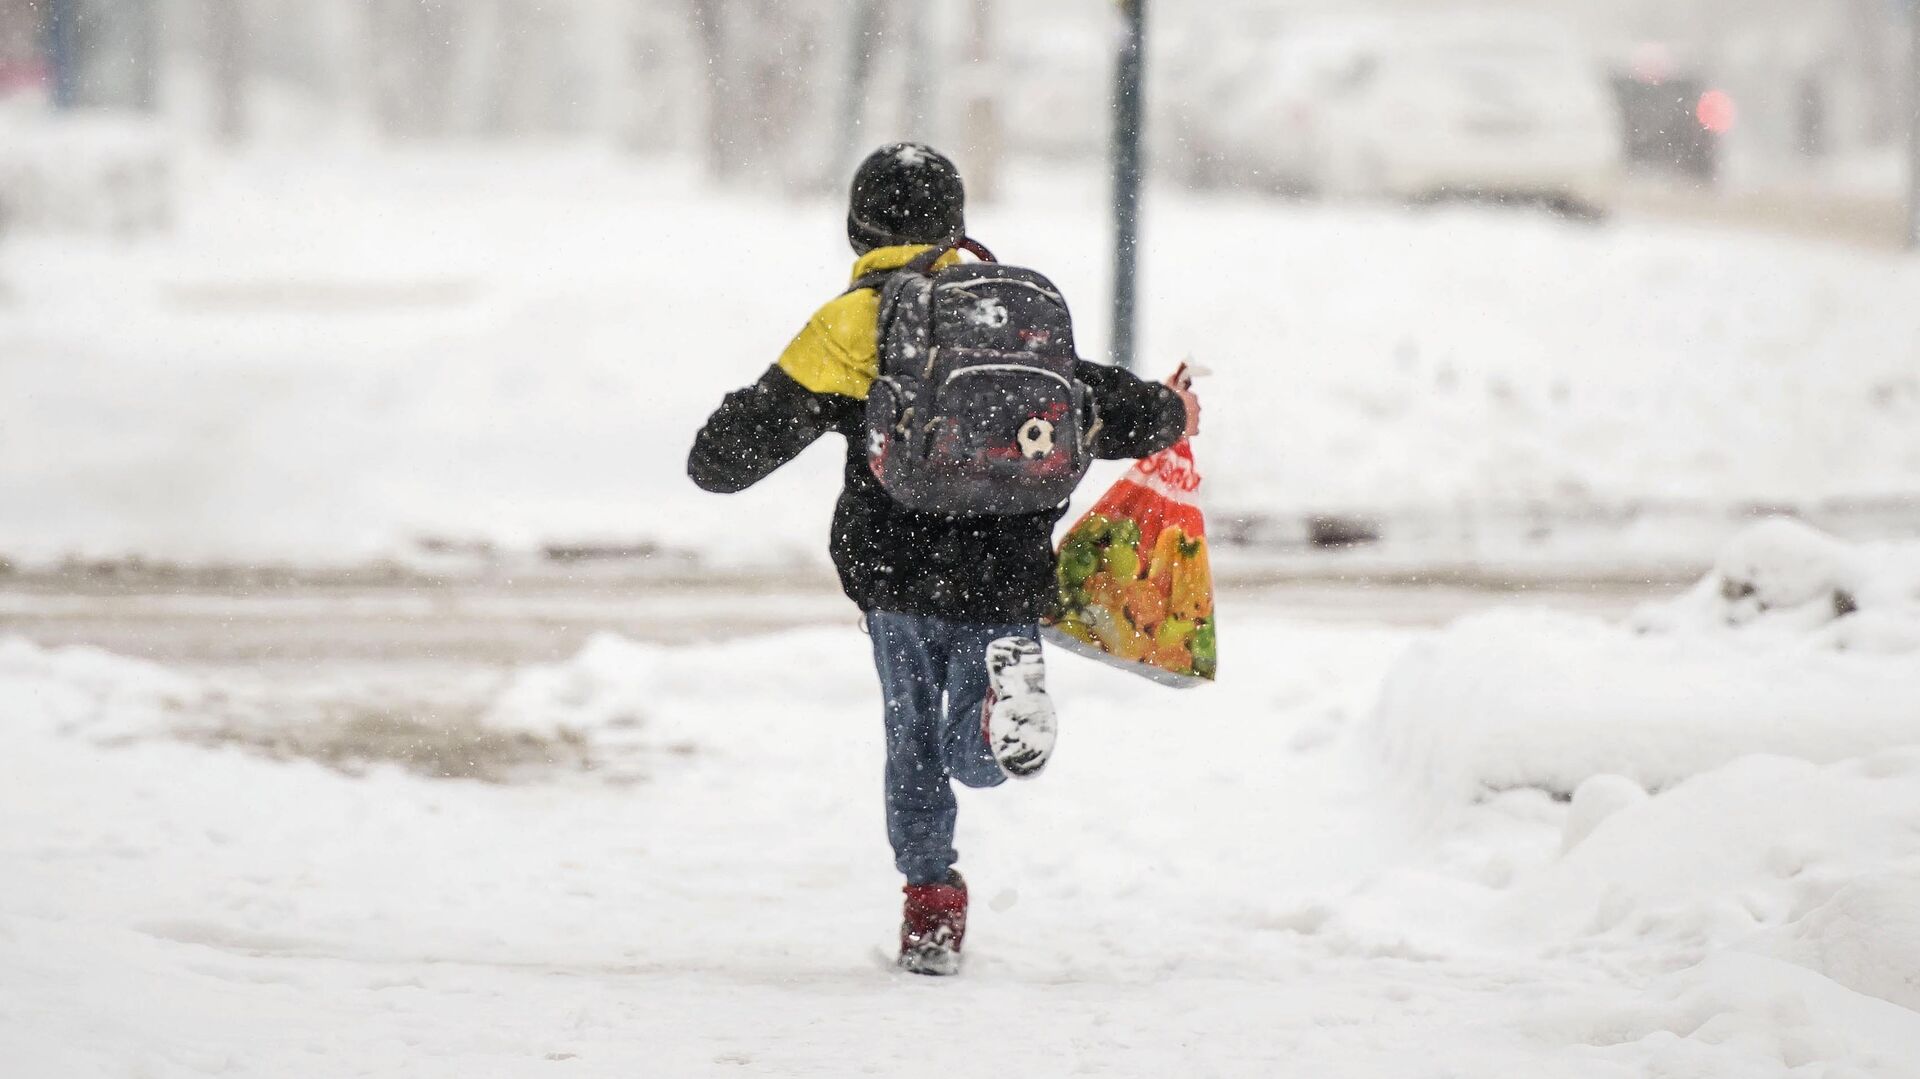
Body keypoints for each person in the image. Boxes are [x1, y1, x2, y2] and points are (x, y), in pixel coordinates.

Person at [687, 142, 1198, 975]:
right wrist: (1171, 411)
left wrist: (741, 421)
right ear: (957, 225)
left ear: (858, 229)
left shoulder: (851, 324)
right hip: (1009, 565)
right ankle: (999, 713)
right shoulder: (1010, 310)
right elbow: (1100, 399)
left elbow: (723, 461)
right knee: (973, 752)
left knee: (913, 740)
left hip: (899, 569)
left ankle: (931, 905)